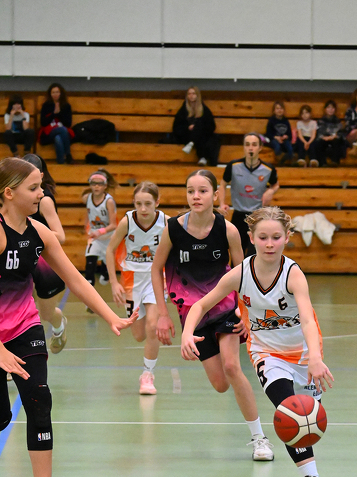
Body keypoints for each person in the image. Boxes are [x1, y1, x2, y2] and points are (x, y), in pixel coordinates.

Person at [0, 157, 137, 477]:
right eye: (33, 188)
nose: (41, 194)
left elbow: (75, 279)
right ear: (9, 193)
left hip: (24, 327)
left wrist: (110, 316)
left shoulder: (39, 233)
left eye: (41, 186)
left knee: (39, 401)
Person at [181, 206, 334, 477]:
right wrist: (187, 332)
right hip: (267, 354)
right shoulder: (240, 274)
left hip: (305, 354)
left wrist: (315, 358)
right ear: (250, 238)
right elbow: (199, 305)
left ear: (287, 238)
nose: (269, 243)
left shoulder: (293, 273)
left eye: (276, 237)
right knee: (289, 412)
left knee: (307, 420)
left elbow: (307, 319)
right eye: (263, 237)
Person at [152, 169, 274, 461]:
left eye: (203, 191)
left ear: (216, 195)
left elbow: (244, 273)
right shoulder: (173, 229)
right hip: (194, 314)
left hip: (226, 307)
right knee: (220, 385)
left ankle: (260, 438)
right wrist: (162, 314)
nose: (196, 196)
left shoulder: (228, 230)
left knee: (232, 366)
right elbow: (156, 269)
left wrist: (246, 311)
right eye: (191, 191)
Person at [106, 182, 167, 395]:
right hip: (132, 280)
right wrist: (114, 282)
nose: (143, 208)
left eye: (148, 204)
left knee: (153, 326)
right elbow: (110, 250)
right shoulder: (127, 221)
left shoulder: (166, 223)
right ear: (133, 203)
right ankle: (147, 370)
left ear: (157, 203)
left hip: (156, 277)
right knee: (139, 334)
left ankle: (147, 375)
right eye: (138, 203)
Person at [23, 154, 67, 354]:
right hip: (22, 259)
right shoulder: (15, 196)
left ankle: (59, 326)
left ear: (40, 175)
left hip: (45, 261)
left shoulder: (45, 200)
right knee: (19, 308)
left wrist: (32, 235)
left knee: (47, 313)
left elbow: (60, 236)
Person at [218, 133, 279, 256]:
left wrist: (271, 191)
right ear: (244, 147)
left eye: (254, 145)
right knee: (236, 253)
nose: (251, 148)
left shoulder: (268, 169)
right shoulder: (233, 166)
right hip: (238, 215)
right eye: (247, 144)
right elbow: (223, 184)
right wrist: (222, 203)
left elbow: (276, 184)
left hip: (257, 217)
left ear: (260, 148)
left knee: (253, 254)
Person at [82, 168, 117, 290]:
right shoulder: (87, 198)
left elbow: (113, 225)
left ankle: (105, 272)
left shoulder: (109, 201)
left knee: (105, 273)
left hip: (108, 237)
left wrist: (100, 231)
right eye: (94, 183)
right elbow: (89, 212)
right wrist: (86, 225)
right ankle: (89, 290)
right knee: (89, 261)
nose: (96, 186)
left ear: (105, 186)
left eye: (100, 184)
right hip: (95, 237)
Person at [172, 87, 220, 167]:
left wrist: (198, 127)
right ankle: (202, 157)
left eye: (193, 94)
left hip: (202, 136)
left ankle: (192, 143)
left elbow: (211, 126)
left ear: (197, 95)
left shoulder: (204, 110)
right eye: (189, 94)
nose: (191, 96)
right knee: (199, 131)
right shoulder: (183, 110)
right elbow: (177, 127)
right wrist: (188, 128)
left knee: (199, 125)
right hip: (187, 135)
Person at [38, 83, 74, 165]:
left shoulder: (66, 106)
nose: (55, 94)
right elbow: (43, 123)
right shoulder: (46, 106)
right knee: (62, 130)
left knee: (58, 138)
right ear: (50, 94)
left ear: (61, 93)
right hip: (49, 132)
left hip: (63, 133)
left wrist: (59, 114)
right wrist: (54, 114)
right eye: (53, 92)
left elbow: (68, 124)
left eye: (57, 92)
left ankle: (60, 161)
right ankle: (68, 154)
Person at [315, 100, 346, 167]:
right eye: (328, 107)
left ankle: (334, 162)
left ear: (335, 110)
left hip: (334, 138)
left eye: (332, 108)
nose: (330, 110)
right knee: (319, 142)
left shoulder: (338, 121)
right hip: (324, 139)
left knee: (337, 142)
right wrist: (325, 137)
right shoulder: (321, 121)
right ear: (325, 109)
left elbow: (340, 133)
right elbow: (319, 133)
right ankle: (323, 163)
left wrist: (333, 137)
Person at [265, 101, 294, 166]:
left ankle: (283, 160)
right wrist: (276, 137)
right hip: (274, 139)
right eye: (277, 108)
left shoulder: (286, 121)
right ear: (274, 111)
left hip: (284, 140)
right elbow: (268, 134)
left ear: (283, 110)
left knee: (290, 149)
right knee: (277, 147)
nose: (279, 110)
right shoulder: (271, 120)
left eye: (281, 108)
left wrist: (286, 136)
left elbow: (289, 134)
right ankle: (279, 161)